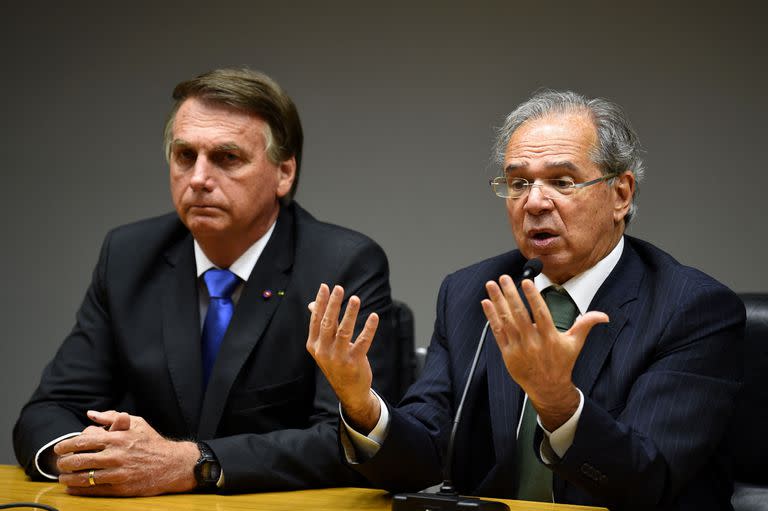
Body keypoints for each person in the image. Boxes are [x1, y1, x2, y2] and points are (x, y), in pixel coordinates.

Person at [307, 90, 745, 510]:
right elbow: (426, 456)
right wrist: (360, 403)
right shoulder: (469, 293)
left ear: (621, 194)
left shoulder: (691, 309)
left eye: (562, 181)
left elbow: (649, 481)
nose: (534, 202)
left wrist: (557, 402)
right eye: (518, 183)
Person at [13, 68, 397, 496]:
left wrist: (193, 464)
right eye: (184, 156)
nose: (198, 178)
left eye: (227, 158)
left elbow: (348, 439)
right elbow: (48, 410)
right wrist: (93, 458)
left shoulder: (340, 264)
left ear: (284, 173)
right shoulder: (128, 256)